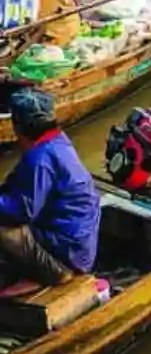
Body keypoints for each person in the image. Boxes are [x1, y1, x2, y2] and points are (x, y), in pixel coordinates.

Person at [0, 89, 98, 288]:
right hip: (78, 244)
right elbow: (17, 184)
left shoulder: (40, 159)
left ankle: (55, 272)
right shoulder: (58, 142)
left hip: (68, 254)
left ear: (19, 127)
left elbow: (21, 212)